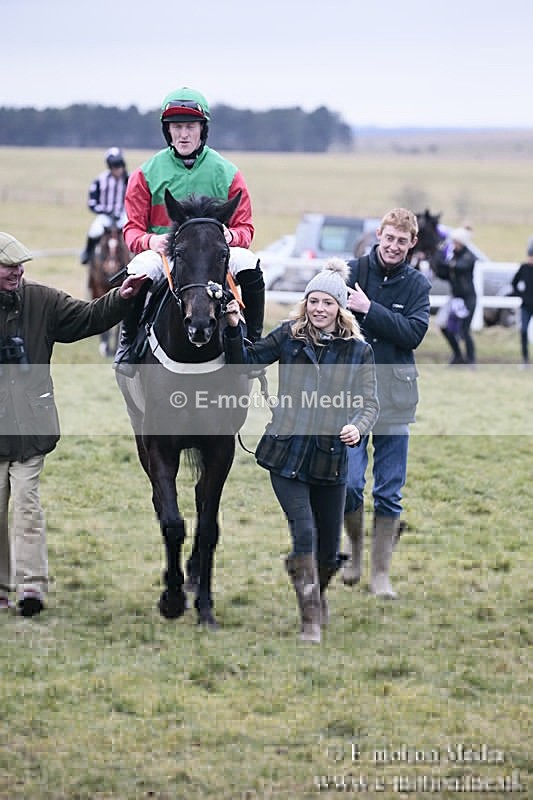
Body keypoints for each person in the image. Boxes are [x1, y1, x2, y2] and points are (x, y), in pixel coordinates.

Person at [224, 259, 379, 643]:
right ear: (305, 303)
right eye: (313, 301)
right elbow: (244, 361)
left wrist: (356, 428)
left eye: (327, 303)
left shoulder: (359, 351)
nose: (319, 309)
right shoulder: (289, 337)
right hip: (287, 454)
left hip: (331, 458)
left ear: (340, 307)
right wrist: (232, 328)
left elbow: (370, 404)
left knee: (329, 550)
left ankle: (316, 591)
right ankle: (310, 618)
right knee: (304, 534)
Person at [0, 232, 148, 616]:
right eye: (8, 266)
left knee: (27, 506)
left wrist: (122, 297)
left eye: (19, 266)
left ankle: (31, 587)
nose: (17, 272)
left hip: (31, 428)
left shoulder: (42, 300)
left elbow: (86, 317)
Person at [120, 86, 265, 365]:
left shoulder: (227, 172)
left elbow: (246, 228)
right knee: (138, 270)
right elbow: (132, 230)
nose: (183, 134)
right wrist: (150, 241)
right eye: (176, 127)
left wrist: (230, 234)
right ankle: (128, 343)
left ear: (202, 129)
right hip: (166, 253)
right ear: (168, 131)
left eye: (190, 126)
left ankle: (254, 341)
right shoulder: (145, 174)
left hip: (213, 253)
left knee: (249, 262)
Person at [341, 208, 431, 599]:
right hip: (350, 397)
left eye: (402, 241)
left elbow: (412, 334)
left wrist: (368, 310)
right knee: (348, 483)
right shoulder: (350, 272)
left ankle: (380, 574)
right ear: (378, 234)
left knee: (389, 491)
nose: (394, 246)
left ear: (412, 244)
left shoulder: (417, 286)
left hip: (395, 397)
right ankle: (355, 553)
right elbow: (322, 317)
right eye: (389, 238)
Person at [434, 227, 477, 366]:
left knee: (465, 330)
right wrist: (438, 260)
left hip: (467, 298)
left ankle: (471, 360)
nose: (454, 244)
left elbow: (460, 267)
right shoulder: (452, 256)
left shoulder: (469, 256)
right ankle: (458, 355)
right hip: (454, 297)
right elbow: (446, 273)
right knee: (443, 326)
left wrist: (447, 263)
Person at [80, 147, 129, 265]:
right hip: (105, 216)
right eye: (115, 166)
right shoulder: (100, 180)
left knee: (132, 232)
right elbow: (92, 203)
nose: (118, 169)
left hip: (123, 215)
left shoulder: (129, 179)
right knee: (93, 232)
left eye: (119, 166)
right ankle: (88, 254)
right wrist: (105, 211)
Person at [511, 242, 533, 367]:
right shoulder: (524, 268)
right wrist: (521, 294)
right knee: (523, 330)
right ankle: (525, 359)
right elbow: (514, 283)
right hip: (526, 306)